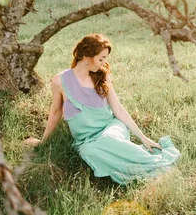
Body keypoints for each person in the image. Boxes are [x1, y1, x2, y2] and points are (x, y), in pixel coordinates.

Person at [32, 33, 180, 184]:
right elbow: (56, 113)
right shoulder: (59, 81)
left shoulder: (102, 76)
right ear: (87, 56)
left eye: (105, 59)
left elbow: (118, 109)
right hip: (85, 140)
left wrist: (143, 138)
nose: (103, 63)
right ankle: (137, 168)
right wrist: (43, 141)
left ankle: (156, 164)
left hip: (110, 127)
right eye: (101, 58)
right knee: (88, 152)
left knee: (108, 140)